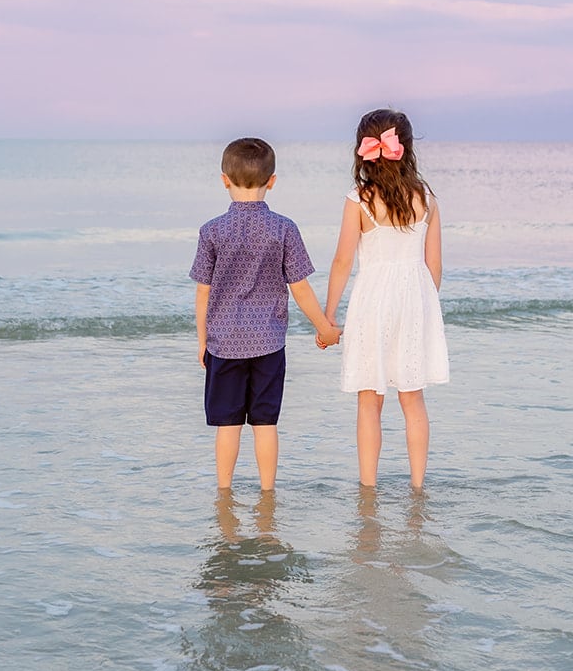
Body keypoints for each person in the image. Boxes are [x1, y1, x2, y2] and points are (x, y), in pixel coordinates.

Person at [190, 137, 340, 493]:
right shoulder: (284, 228)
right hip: (268, 343)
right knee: (265, 423)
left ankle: (224, 492)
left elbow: (203, 291)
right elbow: (300, 288)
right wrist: (326, 328)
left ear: (224, 179)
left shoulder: (211, 231)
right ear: (272, 180)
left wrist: (202, 342)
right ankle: (267, 493)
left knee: (227, 425)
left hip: (224, 344)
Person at [321, 109, 448, 488]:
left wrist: (328, 315)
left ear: (363, 151)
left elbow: (343, 260)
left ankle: (368, 487)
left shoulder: (358, 199)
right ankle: (418, 485)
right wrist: (425, 304)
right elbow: (434, 264)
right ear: (406, 149)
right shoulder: (426, 198)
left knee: (369, 399)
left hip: (373, 299)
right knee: (412, 398)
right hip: (415, 297)